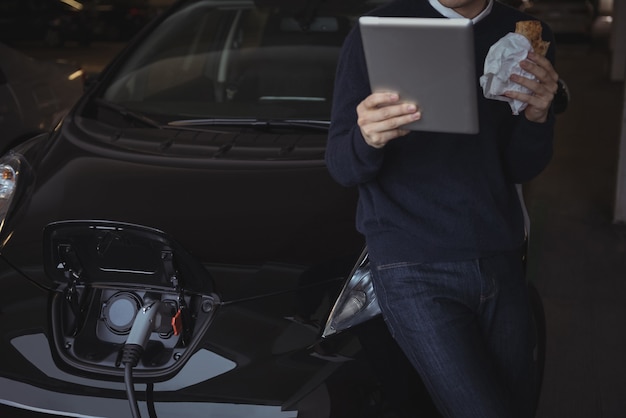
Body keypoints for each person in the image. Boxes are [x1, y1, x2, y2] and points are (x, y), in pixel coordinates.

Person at [324, 0, 560, 417]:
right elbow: (342, 167)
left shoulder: (525, 35)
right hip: (412, 265)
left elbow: (521, 167)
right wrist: (367, 138)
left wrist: (538, 117)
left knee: (519, 405)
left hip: (499, 256)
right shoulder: (378, 32)